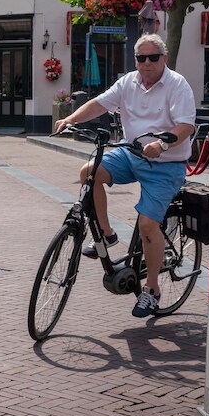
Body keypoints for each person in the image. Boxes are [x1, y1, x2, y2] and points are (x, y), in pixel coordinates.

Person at [53, 33, 196, 318]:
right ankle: (107, 235)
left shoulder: (177, 85)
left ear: (164, 59)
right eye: (140, 58)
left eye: (153, 57)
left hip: (165, 164)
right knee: (89, 172)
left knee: (146, 227)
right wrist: (69, 119)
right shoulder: (128, 82)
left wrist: (163, 144)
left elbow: (186, 126)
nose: (146, 63)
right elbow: (99, 103)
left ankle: (152, 290)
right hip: (132, 155)